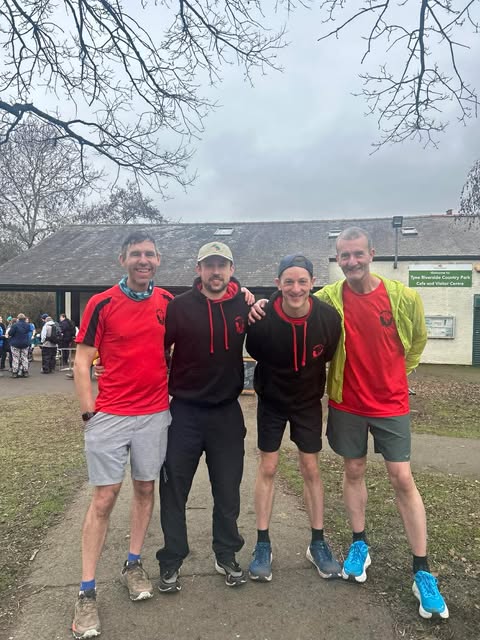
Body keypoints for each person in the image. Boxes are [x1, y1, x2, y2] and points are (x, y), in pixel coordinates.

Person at [314, 227, 448, 620]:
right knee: (353, 470)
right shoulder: (328, 298)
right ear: (338, 259)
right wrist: (254, 301)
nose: (352, 261)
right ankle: (360, 544)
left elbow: (418, 340)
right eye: (345, 255)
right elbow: (294, 301)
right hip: (347, 402)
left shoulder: (403, 297)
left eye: (358, 254)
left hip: (391, 403)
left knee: (401, 478)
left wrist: (398, 375)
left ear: (371, 253)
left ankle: (422, 571)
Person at [71, 231, 173, 639]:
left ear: (158, 260)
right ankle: (86, 591)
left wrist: (248, 297)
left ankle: (133, 563)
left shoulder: (168, 303)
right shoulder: (102, 303)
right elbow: (82, 362)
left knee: (145, 488)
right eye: (135, 254)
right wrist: (89, 412)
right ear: (123, 260)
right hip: (110, 414)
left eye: (149, 254)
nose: (143, 260)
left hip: (154, 414)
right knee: (104, 497)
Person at [156, 242, 251, 591]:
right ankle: (172, 558)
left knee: (227, 490)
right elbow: (156, 349)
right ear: (198, 269)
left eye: (221, 265)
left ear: (231, 269)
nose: (215, 271)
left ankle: (226, 553)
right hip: (184, 412)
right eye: (209, 265)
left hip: (226, 413)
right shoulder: (179, 307)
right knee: (173, 490)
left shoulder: (244, 304)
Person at [245, 255, 342, 582]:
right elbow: (255, 352)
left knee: (310, 468)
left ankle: (318, 543)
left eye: (302, 281)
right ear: (278, 284)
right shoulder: (261, 319)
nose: (296, 288)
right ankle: (262, 544)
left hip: (307, 403)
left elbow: (328, 354)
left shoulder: (329, 319)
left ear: (313, 283)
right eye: (289, 282)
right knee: (268, 467)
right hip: (271, 401)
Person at [8, 313, 31, 377]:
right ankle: (25, 371)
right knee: (24, 357)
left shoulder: (15, 325)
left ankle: (15, 372)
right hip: (25, 343)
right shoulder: (27, 325)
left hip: (15, 343)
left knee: (15, 358)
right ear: (24, 318)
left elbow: (10, 333)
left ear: (18, 318)